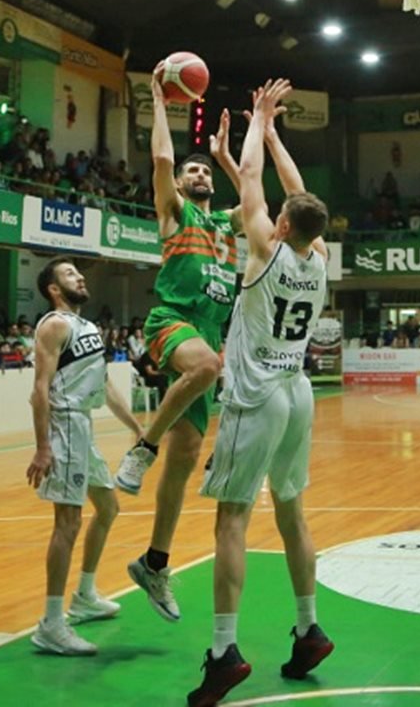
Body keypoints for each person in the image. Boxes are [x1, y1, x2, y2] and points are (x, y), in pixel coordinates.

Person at [186, 79, 334, 706]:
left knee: (233, 519)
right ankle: (307, 629)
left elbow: (252, 180)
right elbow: (295, 195)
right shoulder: (320, 256)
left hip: (257, 394)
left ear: (279, 223)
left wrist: (257, 127)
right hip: (299, 391)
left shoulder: (264, 252)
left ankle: (223, 652)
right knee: (293, 510)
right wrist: (274, 135)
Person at [117, 63, 244, 622]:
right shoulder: (176, 213)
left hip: (208, 333)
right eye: (192, 169)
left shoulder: (227, 224)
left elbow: (261, 205)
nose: (196, 174)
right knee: (210, 366)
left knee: (186, 460)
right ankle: (142, 447)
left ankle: (154, 561)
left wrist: (228, 158)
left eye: (202, 171)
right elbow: (162, 160)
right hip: (171, 321)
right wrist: (160, 102)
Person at [26, 258, 146, 655]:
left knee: (108, 508)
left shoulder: (88, 327)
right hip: (64, 425)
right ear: (54, 290)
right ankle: (51, 624)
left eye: (78, 271)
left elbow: (105, 384)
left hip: (84, 428)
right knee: (68, 522)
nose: (78, 276)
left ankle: (85, 595)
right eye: (69, 274)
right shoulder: (54, 325)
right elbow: (39, 389)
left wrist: (136, 425)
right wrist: (43, 446)